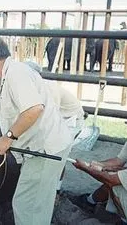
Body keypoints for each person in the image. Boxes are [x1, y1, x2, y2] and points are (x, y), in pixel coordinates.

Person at [0, 35, 72, 225]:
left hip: (46, 148)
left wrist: (8, 138)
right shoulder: (2, 78)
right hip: (38, 147)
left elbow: (34, 109)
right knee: (36, 202)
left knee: (27, 204)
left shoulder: (17, 73)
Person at [24, 60, 86, 191]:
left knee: (58, 151)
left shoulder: (49, 89)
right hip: (56, 118)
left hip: (70, 120)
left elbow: (52, 117)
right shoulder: (31, 87)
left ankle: (56, 189)